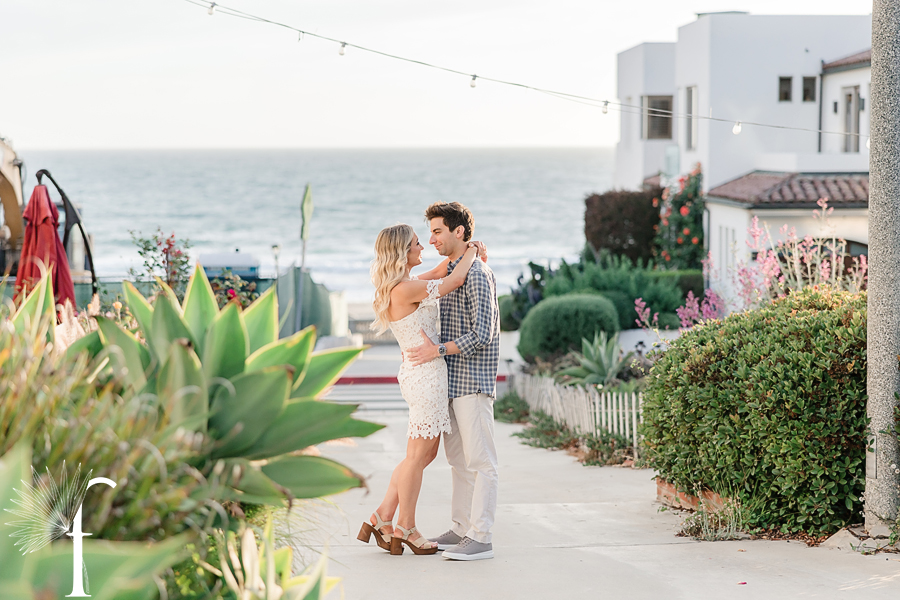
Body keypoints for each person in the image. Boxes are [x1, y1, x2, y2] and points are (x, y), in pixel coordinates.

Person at [358, 223, 484, 556]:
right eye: (417, 243)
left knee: (424, 454)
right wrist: (471, 253)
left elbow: (443, 269)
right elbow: (453, 280)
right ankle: (406, 527)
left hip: (423, 374)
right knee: (417, 457)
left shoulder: (408, 284)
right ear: (403, 252)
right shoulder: (404, 290)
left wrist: (466, 248)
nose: (423, 247)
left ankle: (382, 516)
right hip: (425, 377)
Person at [407, 201, 501, 561]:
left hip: (473, 384)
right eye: (429, 232)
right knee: (460, 464)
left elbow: (484, 333)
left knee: (482, 462)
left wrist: (437, 351)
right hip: (452, 383)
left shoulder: (477, 274)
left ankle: (482, 537)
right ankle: (462, 528)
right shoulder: (453, 268)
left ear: (459, 232)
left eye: (437, 231)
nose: (431, 238)